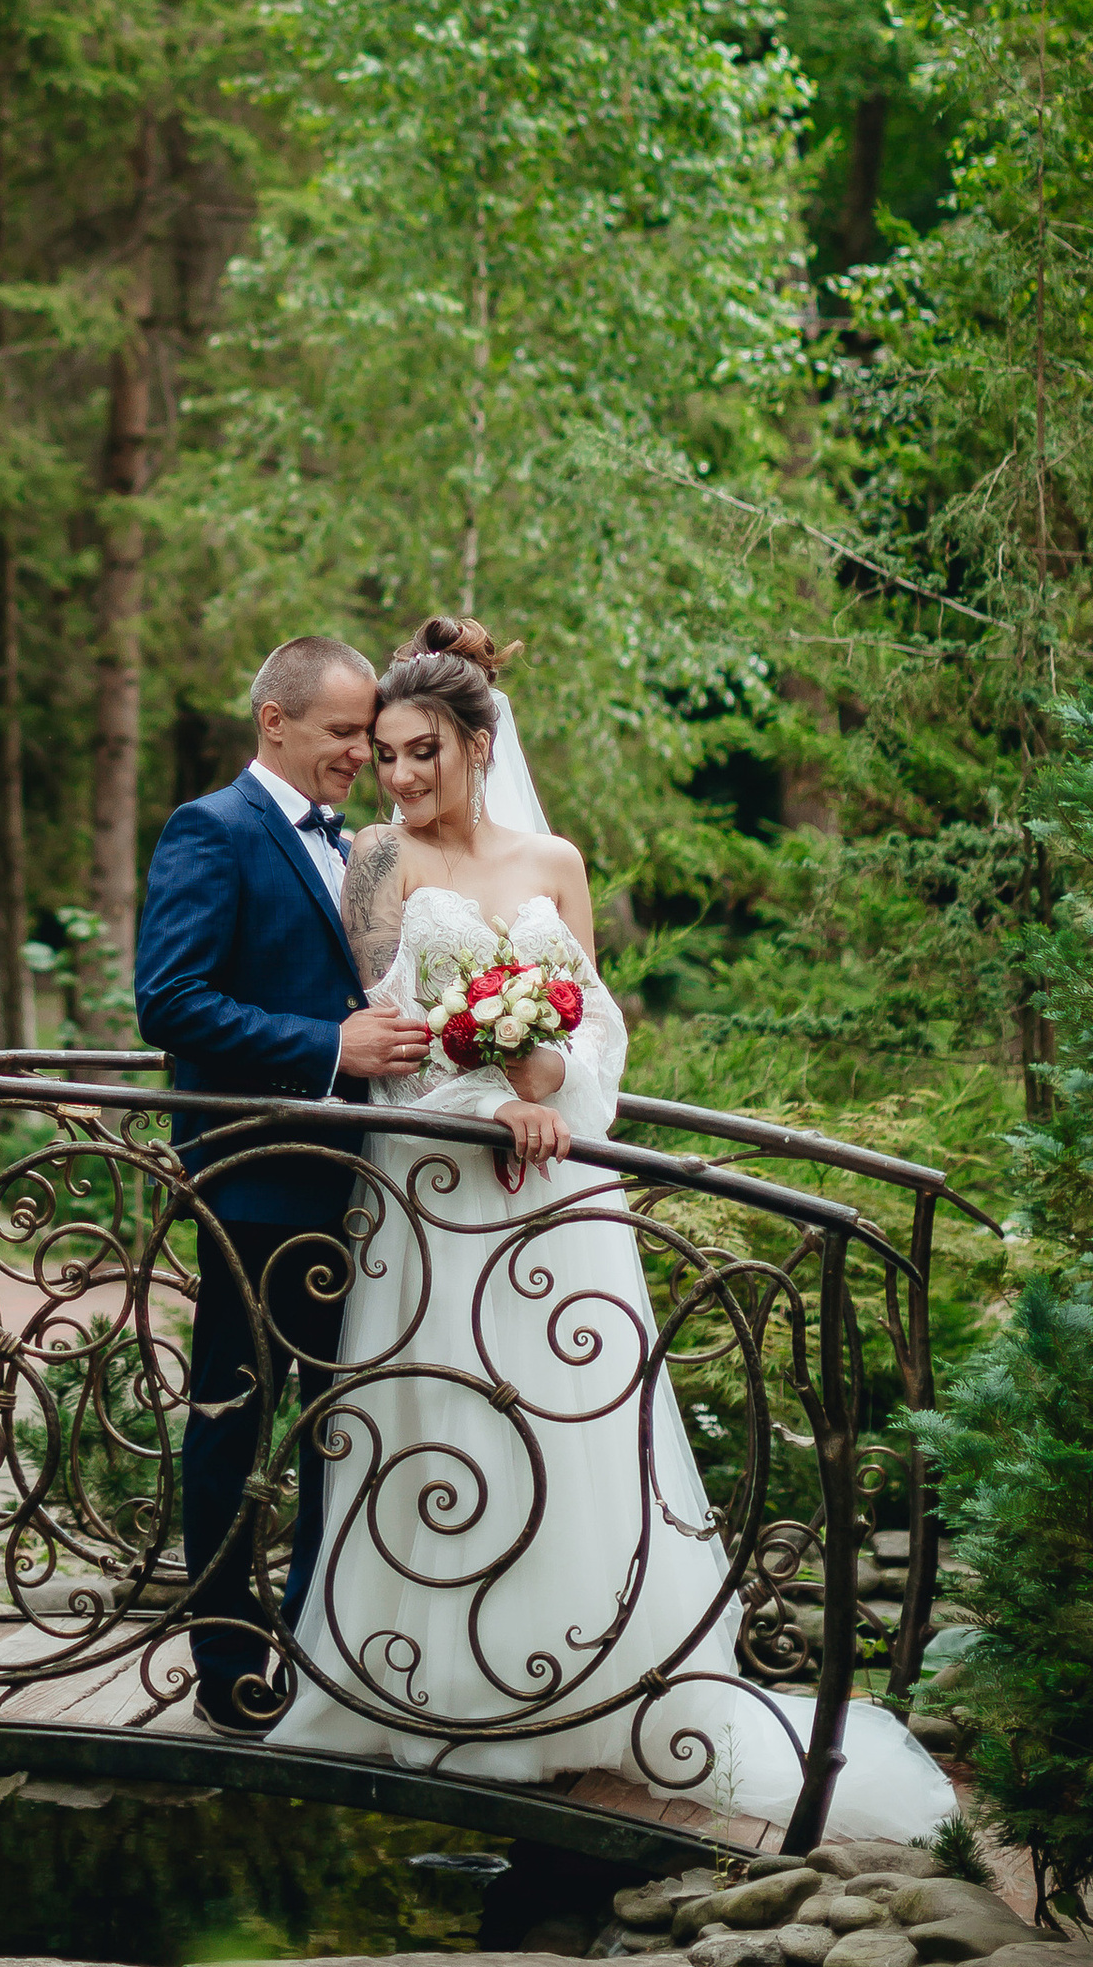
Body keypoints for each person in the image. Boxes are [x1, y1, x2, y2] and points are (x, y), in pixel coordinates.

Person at [269, 614, 955, 1841]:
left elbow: (595, 1026)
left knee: (567, 1421)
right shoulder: (377, 859)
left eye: (424, 751)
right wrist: (491, 1100)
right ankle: (430, 1687)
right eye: (386, 755)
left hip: (556, 1194)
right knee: (442, 1417)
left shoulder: (555, 861)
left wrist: (546, 1083)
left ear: (480, 744)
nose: (400, 777)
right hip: (434, 1189)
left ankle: (585, 1693)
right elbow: (387, 1042)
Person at [132, 635, 431, 1736]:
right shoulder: (211, 829)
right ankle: (227, 1667)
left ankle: (313, 1652)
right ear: (274, 720)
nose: (362, 754)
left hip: (357, 1185)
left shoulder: (356, 846)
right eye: (344, 732)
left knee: (335, 1427)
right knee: (233, 1421)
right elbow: (169, 1001)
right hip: (255, 1183)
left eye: (368, 735)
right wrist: (326, 1047)